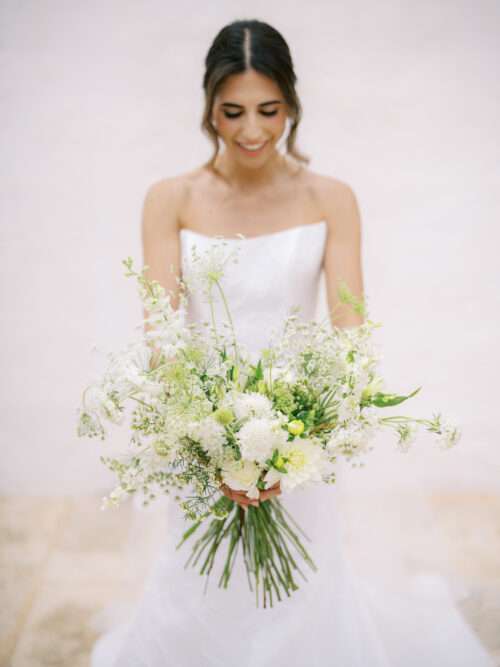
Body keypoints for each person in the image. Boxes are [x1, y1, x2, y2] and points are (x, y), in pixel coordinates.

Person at [90, 18, 494, 666]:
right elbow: (162, 338)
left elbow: (349, 337)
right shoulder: (169, 200)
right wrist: (208, 444)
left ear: (293, 106)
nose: (252, 131)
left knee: (303, 587)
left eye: (269, 110)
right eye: (233, 112)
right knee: (199, 581)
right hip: (199, 432)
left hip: (301, 439)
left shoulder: (332, 200)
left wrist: (297, 440)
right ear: (208, 110)